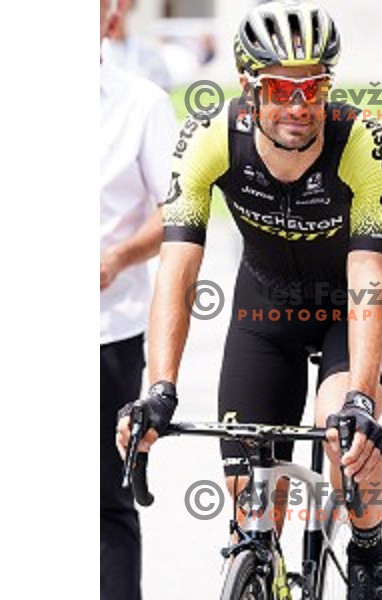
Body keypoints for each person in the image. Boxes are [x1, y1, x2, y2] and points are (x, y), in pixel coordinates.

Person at [117, 1, 382, 598]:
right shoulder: (210, 137)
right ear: (250, 87)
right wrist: (160, 388)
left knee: (342, 432)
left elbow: (370, 277)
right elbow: (176, 270)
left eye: (314, 88)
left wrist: (359, 399)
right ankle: (258, 570)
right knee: (252, 502)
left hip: (345, 311)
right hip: (265, 311)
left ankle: (370, 549)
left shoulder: (363, 141)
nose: (300, 106)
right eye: (280, 88)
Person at [100, 0, 177, 598]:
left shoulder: (142, 103)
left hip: (107, 335)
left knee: (107, 503)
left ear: (111, 15)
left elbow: (176, 213)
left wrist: (118, 257)